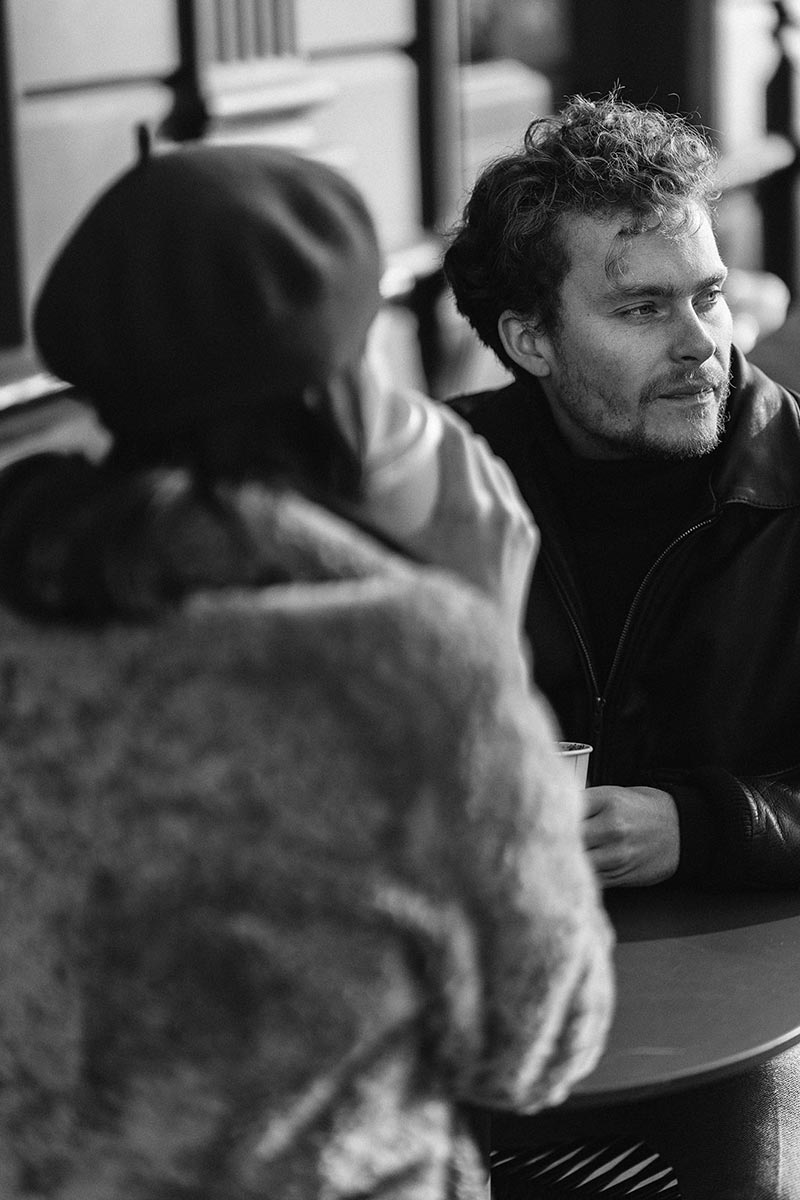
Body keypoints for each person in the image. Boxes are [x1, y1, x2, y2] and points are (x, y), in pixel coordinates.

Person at [0, 143, 613, 1198]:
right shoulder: (412, 661)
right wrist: (481, 633)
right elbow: (536, 1047)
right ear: (342, 385)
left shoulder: (26, 595)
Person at [443, 90, 800, 1197]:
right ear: (529, 339)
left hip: (745, 1004)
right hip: (477, 994)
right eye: (642, 308)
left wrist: (697, 824)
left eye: (708, 294)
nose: (702, 343)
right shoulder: (438, 491)